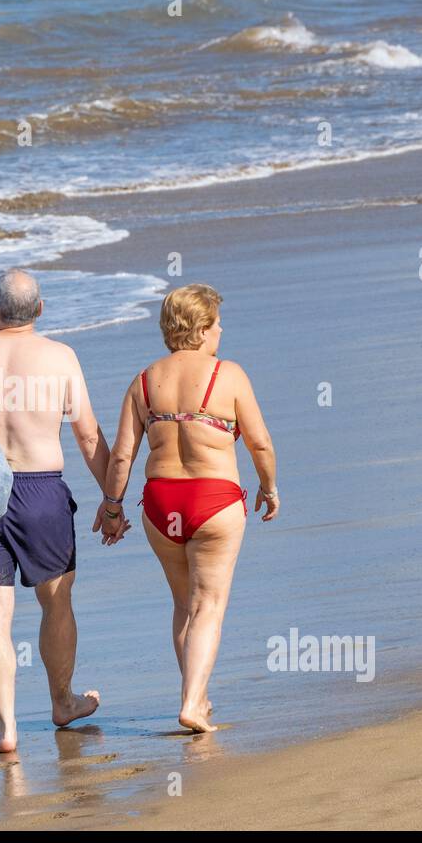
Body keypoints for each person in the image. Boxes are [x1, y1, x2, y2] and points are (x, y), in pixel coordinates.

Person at [0, 269, 130, 753]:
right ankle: (62, 702)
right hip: (42, 494)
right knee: (56, 602)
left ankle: (7, 730)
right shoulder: (60, 357)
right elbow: (86, 436)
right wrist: (113, 499)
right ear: (40, 310)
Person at [100, 284, 277, 733]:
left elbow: (122, 455)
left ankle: (195, 696)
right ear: (200, 331)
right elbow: (259, 442)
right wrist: (269, 487)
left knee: (184, 604)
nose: (221, 331)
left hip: (161, 504)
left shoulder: (143, 381)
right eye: (217, 324)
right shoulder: (229, 375)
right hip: (213, 500)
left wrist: (113, 508)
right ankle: (193, 702)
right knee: (209, 605)